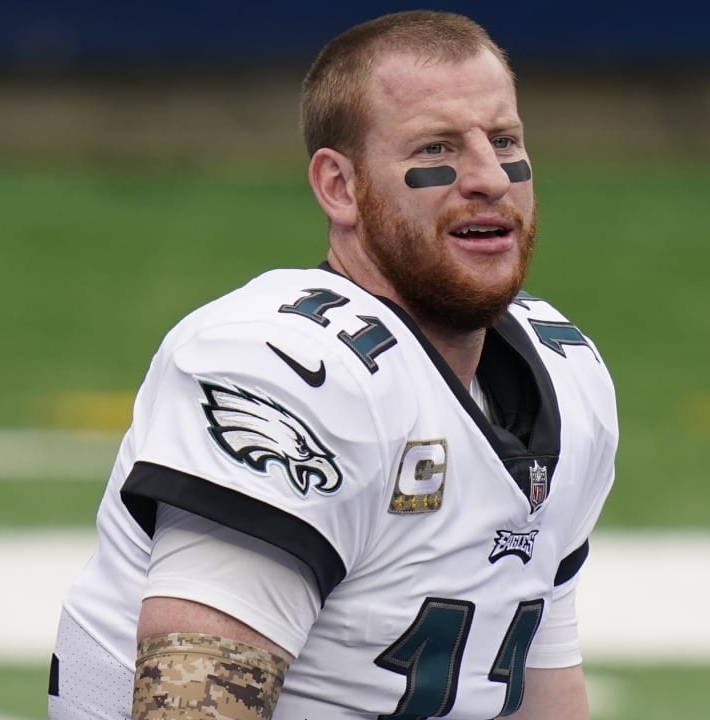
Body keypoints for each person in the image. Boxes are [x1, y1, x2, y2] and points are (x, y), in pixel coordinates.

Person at [49, 10, 619, 720]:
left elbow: (546, 690)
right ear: (340, 187)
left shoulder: (568, 374)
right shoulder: (291, 369)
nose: (489, 178)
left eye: (503, 140)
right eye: (437, 147)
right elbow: (192, 706)